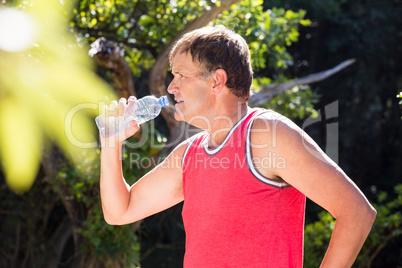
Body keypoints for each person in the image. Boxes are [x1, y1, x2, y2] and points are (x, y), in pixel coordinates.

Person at [99, 25, 376, 267]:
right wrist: (111, 143)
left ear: (217, 80)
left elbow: (356, 213)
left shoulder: (267, 135)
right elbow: (119, 212)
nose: (172, 87)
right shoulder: (189, 154)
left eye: (181, 76)